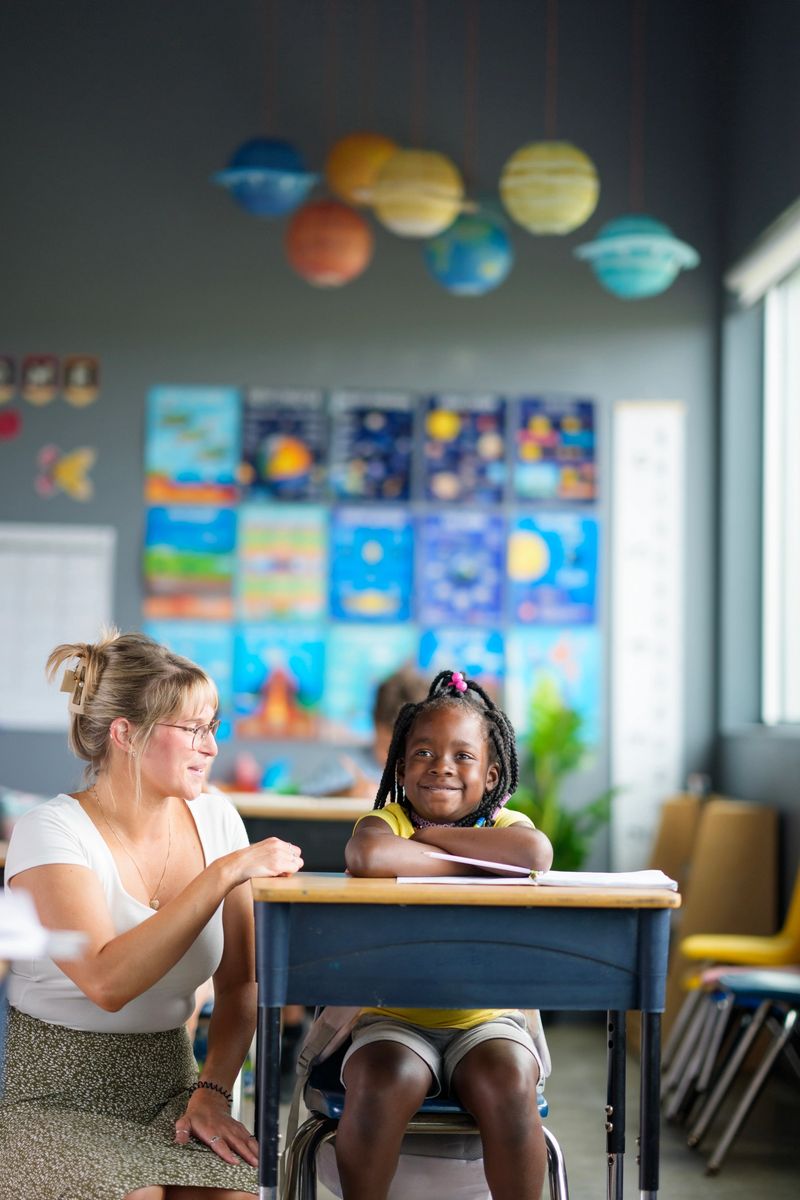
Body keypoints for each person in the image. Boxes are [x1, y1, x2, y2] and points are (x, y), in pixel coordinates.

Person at [0, 630, 305, 1200]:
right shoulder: (52, 831)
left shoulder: (218, 821)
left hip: (173, 1083)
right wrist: (221, 875)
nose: (211, 747)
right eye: (194, 729)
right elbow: (107, 981)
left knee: (240, 1192)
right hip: (53, 1095)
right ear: (126, 735)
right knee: (140, 1197)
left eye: (212, 727)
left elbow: (240, 984)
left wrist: (212, 1090)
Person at [338, 669, 554, 1200]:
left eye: (463, 756)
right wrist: (463, 858)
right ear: (400, 766)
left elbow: (534, 855)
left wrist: (430, 845)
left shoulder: (507, 826)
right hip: (392, 1018)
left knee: (507, 1079)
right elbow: (367, 856)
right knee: (386, 1078)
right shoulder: (388, 820)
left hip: (489, 1019)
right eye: (423, 754)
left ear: (492, 773)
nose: (441, 768)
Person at [300, 665, 428, 799]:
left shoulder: (433, 775)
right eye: (387, 747)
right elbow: (300, 803)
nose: (397, 760)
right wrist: (346, 794)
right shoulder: (346, 766)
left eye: (409, 750)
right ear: (374, 725)